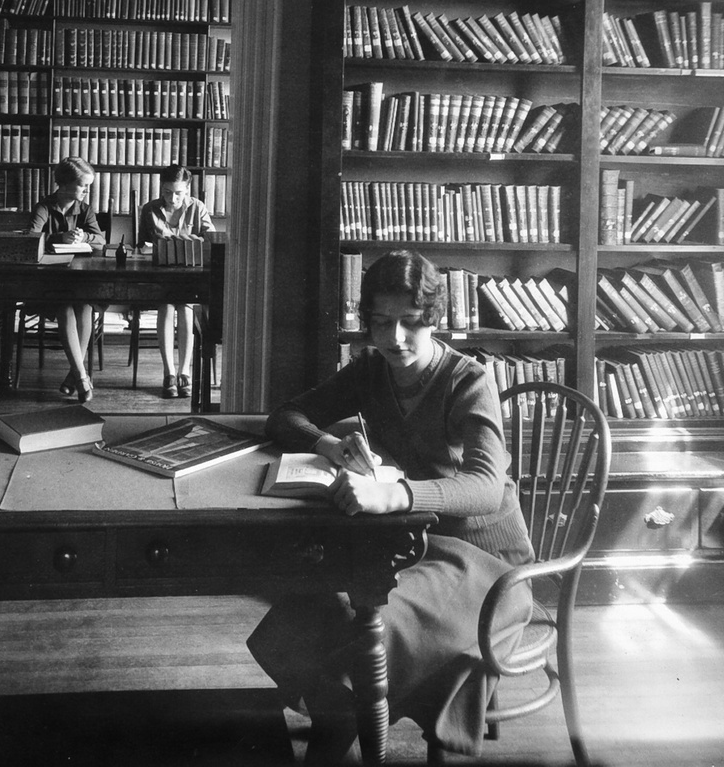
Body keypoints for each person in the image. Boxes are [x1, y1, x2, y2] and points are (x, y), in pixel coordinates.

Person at [245, 249, 535, 763]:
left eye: (409, 324)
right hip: (411, 544)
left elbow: (487, 486)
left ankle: (330, 749)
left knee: (368, 621)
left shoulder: (468, 379)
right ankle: (339, 728)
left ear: (433, 322)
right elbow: (286, 416)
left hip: (486, 564)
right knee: (320, 603)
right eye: (381, 323)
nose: (394, 339)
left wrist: (395, 494)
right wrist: (327, 445)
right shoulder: (371, 371)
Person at [25, 156, 105, 402]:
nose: (87, 190)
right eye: (83, 185)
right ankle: (80, 375)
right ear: (65, 184)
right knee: (64, 306)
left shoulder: (85, 209)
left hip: (79, 281)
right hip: (49, 283)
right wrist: (59, 238)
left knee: (84, 306)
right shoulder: (44, 207)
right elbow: (29, 239)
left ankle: (77, 375)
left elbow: (101, 240)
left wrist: (84, 239)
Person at [137, 164, 215, 398]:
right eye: (168, 192)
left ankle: (185, 373)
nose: (173, 198)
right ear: (162, 188)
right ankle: (169, 372)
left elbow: (210, 240)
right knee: (166, 306)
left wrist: (190, 239)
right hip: (161, 273)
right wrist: (146, 247)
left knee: (186, 308)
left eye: (179, 193)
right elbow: (140, 244)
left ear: (188, 189)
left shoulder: (197, 207)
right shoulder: (149, 209)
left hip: (190, 274)